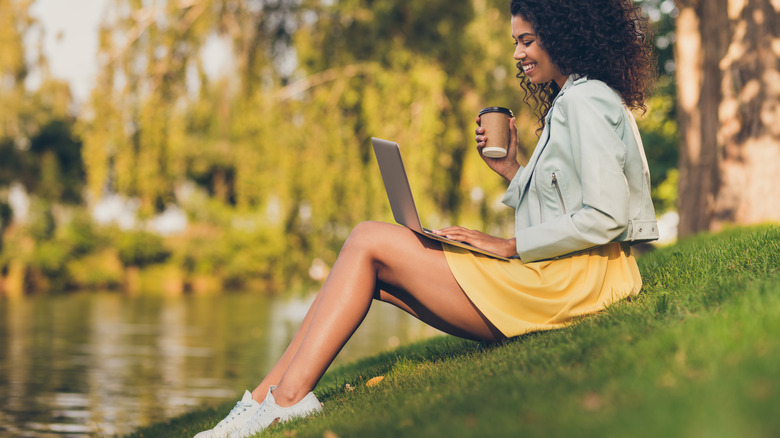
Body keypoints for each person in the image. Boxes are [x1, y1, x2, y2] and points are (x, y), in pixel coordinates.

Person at [194, 0, 658, 436]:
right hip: (563, 279)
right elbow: (568, 206)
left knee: (368, 239)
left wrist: (507, 245)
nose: (518, 53)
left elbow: (605, 215)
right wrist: (513, 172)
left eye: (528, 41)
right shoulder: (572, 100)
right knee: (363, 266)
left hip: (573, 287)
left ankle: (287, 400)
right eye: (517, 41)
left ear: (565, 37)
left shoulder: (585, 101)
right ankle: (261, 402)